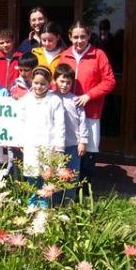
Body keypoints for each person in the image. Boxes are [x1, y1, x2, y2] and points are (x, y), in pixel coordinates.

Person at [58, 21, 116, 188]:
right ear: (70, 37)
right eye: (75, 37)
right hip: (67, 113)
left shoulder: (98, 55)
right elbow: (57, 80)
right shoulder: (64, 55)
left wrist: (89, 95)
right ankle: (67, 190)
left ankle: (84, 192)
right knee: (68, 151)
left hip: (90, 112)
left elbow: (110, 81)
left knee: (87, 152)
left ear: (89, 36)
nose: (79, 41)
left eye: (83, 36)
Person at [18, 66, 65, 208]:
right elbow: (21, 122)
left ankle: (44, 205)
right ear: (31, 81)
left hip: (48, 144)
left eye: (43, 84)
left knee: (47, 175)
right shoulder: (25, 100)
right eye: (36, 83)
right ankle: (32, 205)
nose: (39, 87)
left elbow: (59, 125)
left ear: (49, 83)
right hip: (31, 144)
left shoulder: (54, 100)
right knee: (32, 175)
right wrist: (21, 141)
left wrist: (59, 146)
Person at [53, 64, 88, 198]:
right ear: (55, 80)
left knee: (72, 174)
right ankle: (54, 201)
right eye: (62, 81)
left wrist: (82, 141)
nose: (64, 85)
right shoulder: (50, 98)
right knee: (54, 174)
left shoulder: (75, 100)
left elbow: (82, 122)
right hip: (54, 145)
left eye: (68, 82)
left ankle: (69, 201)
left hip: (72, 144)